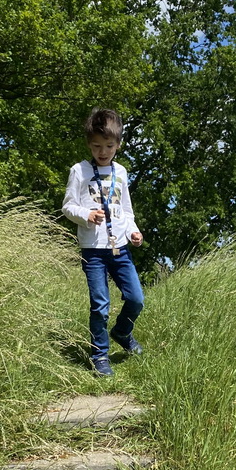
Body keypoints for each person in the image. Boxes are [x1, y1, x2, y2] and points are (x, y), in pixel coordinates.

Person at [62, 108, 144, 376]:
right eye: (97, 146)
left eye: (109, 145)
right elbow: (68, 206)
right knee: (100, 305)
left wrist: (133, 231)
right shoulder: (80, 170)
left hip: (120, 248)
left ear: (118, 144)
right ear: (89, 144)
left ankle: (122, 332)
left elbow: (126, 210)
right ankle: (100, 354)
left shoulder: (121, 172)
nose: (103, 151)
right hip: (93, 250)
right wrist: (86, 214)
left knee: (136, 299)